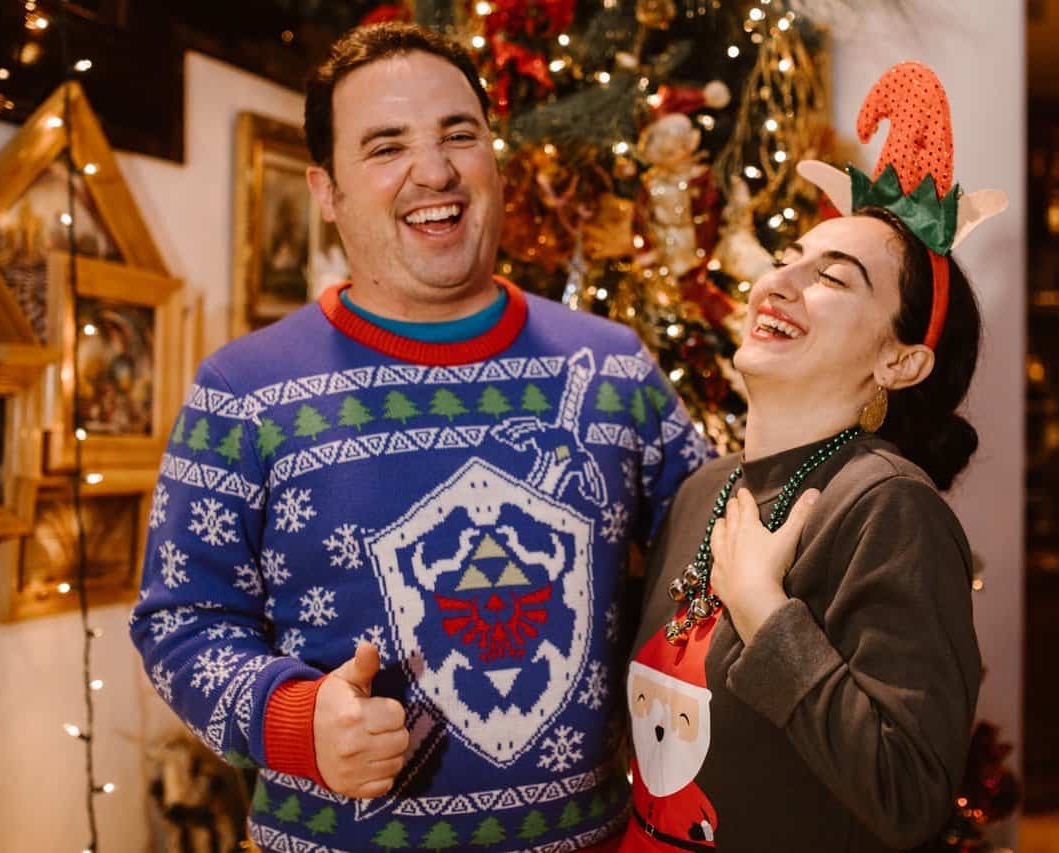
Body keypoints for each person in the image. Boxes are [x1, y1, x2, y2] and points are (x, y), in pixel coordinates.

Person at [131, 22, 711, 853]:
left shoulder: (614, 368)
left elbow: (704, 575)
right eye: (385, 145)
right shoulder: (241, 391)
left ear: (494, 158)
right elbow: (180, 617)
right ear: (325, 190)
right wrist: (294, 720)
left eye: (459, 134)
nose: (433, 171)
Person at [618, 62, 1007, 852]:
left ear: (899, 362)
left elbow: (909, 796)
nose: (778, 282)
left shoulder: (890, 507)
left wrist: (764, 610)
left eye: (834, 277)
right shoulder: (703, 490)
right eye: (787, 255)